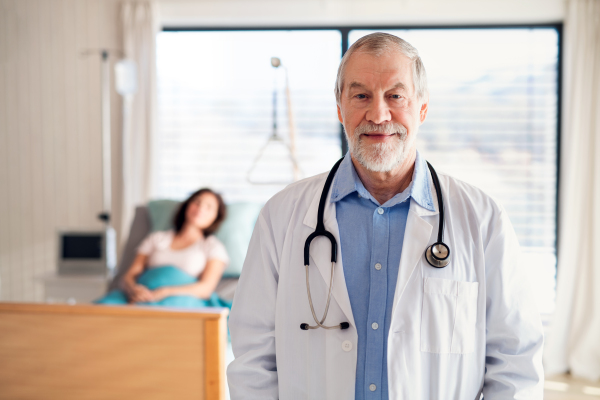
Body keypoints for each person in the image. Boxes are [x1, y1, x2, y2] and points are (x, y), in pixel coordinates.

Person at [227, 33, 544, 399]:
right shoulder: (281, 216)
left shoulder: (483, 219)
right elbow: (253, 358)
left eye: (395, 96)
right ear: (340, 108)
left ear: (422, 108)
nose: (378, 115)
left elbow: (516, 361)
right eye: (361, 96)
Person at [96, 188, 230, 307]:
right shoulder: (156, 238)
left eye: (209, 207)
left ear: (216, 217)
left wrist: (165, 292)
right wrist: (134, 289)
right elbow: (129, 275)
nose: (200, 208)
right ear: (187, 206)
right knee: (104, 307)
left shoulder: (213, 247)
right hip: (143, 294)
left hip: (182, 299)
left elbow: (205, 289)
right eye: (197, 202)